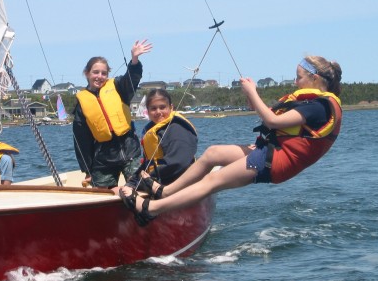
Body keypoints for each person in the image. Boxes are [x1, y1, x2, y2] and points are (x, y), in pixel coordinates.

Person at [120, 55, 343, 226]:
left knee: (212, 181)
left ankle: (152, 208)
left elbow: (273, 122)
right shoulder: (311, 102)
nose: (295, 81)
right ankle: (166, 191)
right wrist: (250, 96)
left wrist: (253, 91)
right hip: (272, 151)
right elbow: (262, 112)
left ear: (314, 79)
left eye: (299, 77)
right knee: (213, 153)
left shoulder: (318, 107)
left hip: (276, 162)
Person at [72, 39, 153, 191]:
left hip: (130, 151)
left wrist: (134, 60)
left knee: (141, 186)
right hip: (103, 159)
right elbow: (81, 140)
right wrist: (87, 170)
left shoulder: (118, 86)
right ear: (87, 73)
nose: (100, 76)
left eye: (104, 73)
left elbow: (132, 79)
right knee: (105, 193)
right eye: (95, 72)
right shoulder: (82, 103)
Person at [121, 88, 198, 198]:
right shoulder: (153, 130)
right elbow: (148, 162)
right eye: (153, 108)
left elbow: (178, 163)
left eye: (162, 107)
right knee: (124, 188)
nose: (158, 112)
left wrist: (148, 179)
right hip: (159, 180)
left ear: (171, 108)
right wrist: (133, 181)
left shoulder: (176, 129)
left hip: (177, 183)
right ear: (147, 111)